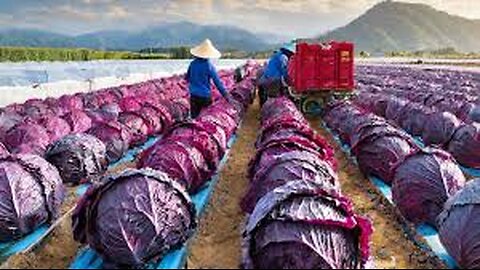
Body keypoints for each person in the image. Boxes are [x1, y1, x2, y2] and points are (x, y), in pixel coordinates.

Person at [186, 39, 231, 118]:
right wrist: (226, 96)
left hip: (193, 96)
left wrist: (195, 83)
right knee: (205, 118)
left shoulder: (192, 64)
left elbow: (187, 78)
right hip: (205, 97)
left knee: (194, 119)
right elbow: (218, 83)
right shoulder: (209, 66)